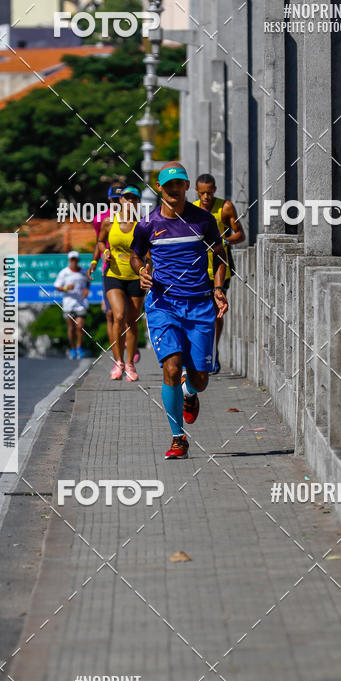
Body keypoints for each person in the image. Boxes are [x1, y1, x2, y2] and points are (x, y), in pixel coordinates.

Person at [130, 162, 228, 459]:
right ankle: (178, 438)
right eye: (168, 185)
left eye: (179, 184)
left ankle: (190, 393)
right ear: (160, 188)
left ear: (187, 187)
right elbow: (135, 256)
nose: (174, 190)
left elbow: (221, 256)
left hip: (199, 305)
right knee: (171, 367)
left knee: (200, 378)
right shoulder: (148, 224)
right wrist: (141, 273)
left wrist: (219, 288)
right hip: (163, 305)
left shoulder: (204, 220)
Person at [88, 186, 145, 381]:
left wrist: (149, 269)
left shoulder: (143, 224)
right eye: (126, 198)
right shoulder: (108, 222)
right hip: (114, 274)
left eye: (134, 198)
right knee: (118, 315)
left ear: (138, 202)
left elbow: (150, 250)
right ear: (120, 200)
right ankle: (118, 362)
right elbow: (100, 241)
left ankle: (130, 364)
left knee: (132, 321)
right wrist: (103, 253)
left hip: (136, 276)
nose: (130, 201)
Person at [193, 173, 244, 373]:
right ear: (197, 192)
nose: (206, 197)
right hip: (199, 268)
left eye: (210, 192)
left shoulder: (226, 208)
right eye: (202, 193)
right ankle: (201, 352)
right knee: (200, 313)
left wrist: (225, 241)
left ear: (215, 189)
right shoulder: (193, 210)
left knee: (216, 312)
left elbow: (240, 234)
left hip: (221, 267)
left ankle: (213, 352)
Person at [90, 183, 124, 351]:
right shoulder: (100, 219)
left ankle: (130, 346)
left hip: (130, 269)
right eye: (115, 199)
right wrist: (95, 261)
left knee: (128, 315)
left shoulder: (135, 217)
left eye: (121, 199)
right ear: (109, 199)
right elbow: (99, 241)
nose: (117, 202)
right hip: (109, 269)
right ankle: (116, 353)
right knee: (111, 313)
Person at [54, 251, 91, 359]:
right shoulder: (64, 273)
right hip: (68, 304)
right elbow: (57, 286)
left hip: (80, 304)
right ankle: (72, 348)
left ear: (78, 260)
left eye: (75, 259)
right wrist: (66, 288)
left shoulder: (83, 272)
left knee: (79, 326)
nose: (74, 262)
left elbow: (88, 281)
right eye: (72, 260)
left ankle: (79, 347)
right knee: (71, 328)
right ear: (69, 261)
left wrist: (86, 289)